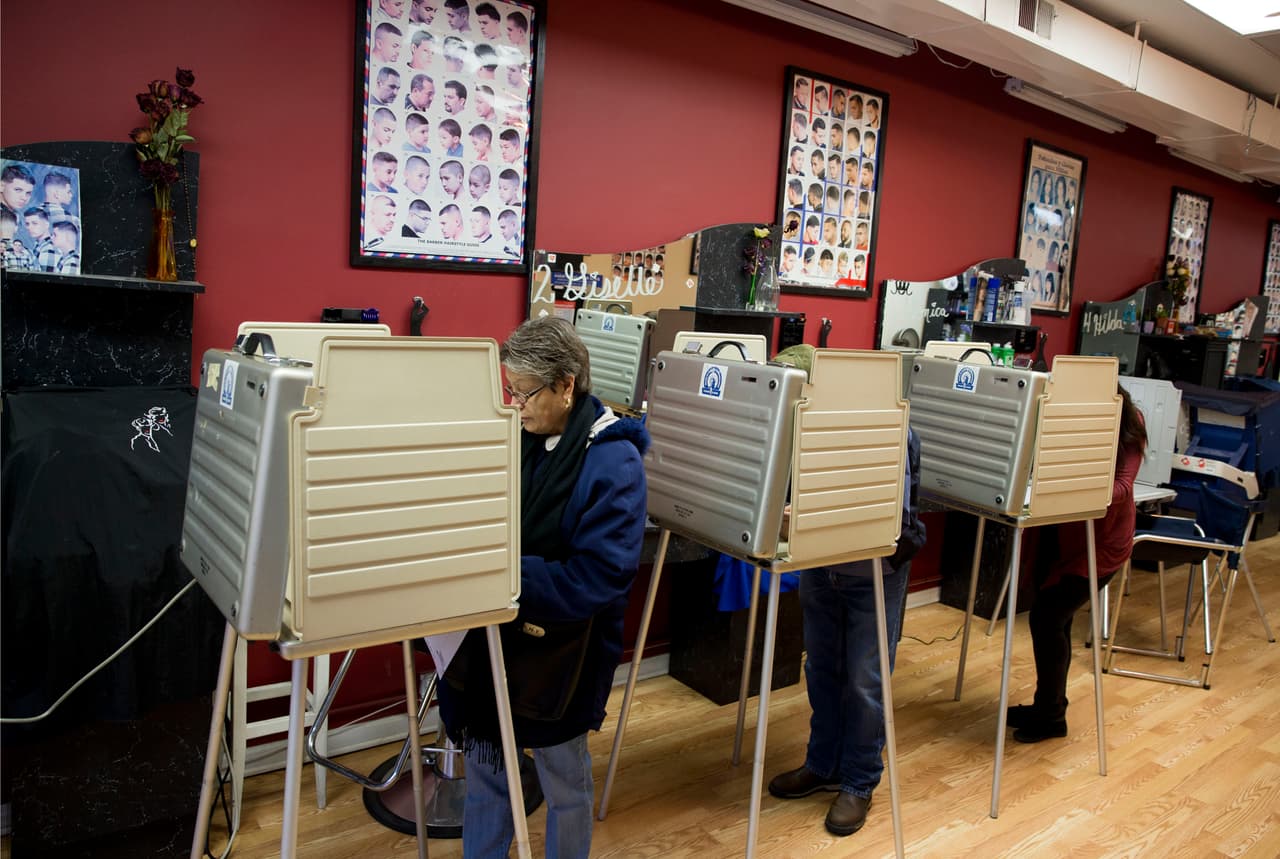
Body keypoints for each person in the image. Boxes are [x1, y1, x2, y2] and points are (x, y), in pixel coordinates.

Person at [438, 317, 648, 859]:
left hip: (565, 653)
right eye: (510, 391)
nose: (517, 405)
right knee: (488, 767)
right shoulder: (524, 437)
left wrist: (502, 573)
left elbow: (598, 578)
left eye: (526, 392)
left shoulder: (613, 460)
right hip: (498, 640)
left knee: (563, 781)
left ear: (566, 385)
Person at [768, 421, 925, 838]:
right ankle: (823, 765)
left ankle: (859, 781)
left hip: (874, 570)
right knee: (821, 670)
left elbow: (887, 514)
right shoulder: (809, 425)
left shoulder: (894, 431)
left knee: (865, 682)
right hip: (820, 564)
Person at [1008, 385, 1145, 742]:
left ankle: (1051, 715)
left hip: (1100, 544)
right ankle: (1048, 707)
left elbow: (1123, 487)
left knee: (1048, 617)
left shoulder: (1129, 423)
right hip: (1058, 532)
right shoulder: (1061, 417)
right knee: (1055, 621)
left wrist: (1073, 486)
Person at [23, 207, 59, 272]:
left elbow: (46, 279)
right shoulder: (39, 245)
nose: (29, 227)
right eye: (27, 224)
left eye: (34, 223)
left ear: (46, 225)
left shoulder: (49, 249)